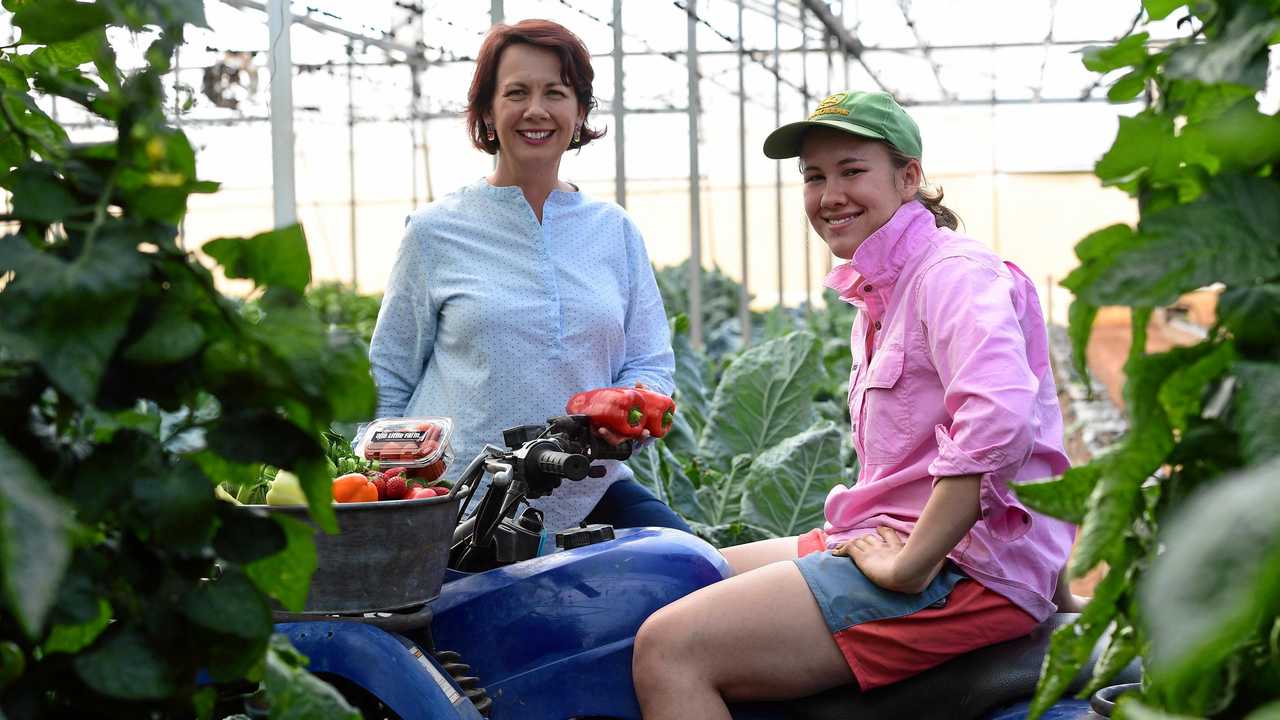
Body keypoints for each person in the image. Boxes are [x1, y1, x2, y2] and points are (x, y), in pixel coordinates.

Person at [631, 90, 1080, 718]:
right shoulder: (881, 291)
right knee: (672, 574)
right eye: (815, 177)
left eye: (851, 170)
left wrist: (911, 569)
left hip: (956, 568)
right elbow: (1031, 438)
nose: (829, 194)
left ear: (909, 177)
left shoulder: (951, 273)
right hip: (886, 532)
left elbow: (999, 427)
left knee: (669, 649)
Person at [368, 19, 690, 535]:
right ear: (488, 112)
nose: (536, 110)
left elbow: (649, 363)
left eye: (555, 93)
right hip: (463, 495)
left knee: (688, 569)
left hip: (591, 484)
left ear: (579, 111)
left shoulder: (615, 231)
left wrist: (630, 417)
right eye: (516, 92)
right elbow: (391, 378)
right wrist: (391, 500)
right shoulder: (435, 232)